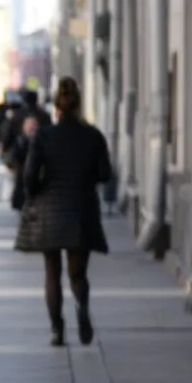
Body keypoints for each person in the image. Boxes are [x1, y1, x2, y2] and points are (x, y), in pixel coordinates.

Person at [14, 77, 114, 347]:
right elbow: (105, 174)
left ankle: (57, 329)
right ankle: (82, 307)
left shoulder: (44, 136)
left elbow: (30, 175)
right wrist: (86, 176)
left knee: (51, 272)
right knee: (78, 273)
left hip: (50, 210)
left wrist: (34, 193)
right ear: (78, 105)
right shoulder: (93, 136)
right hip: (81, 209)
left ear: (56, 107)